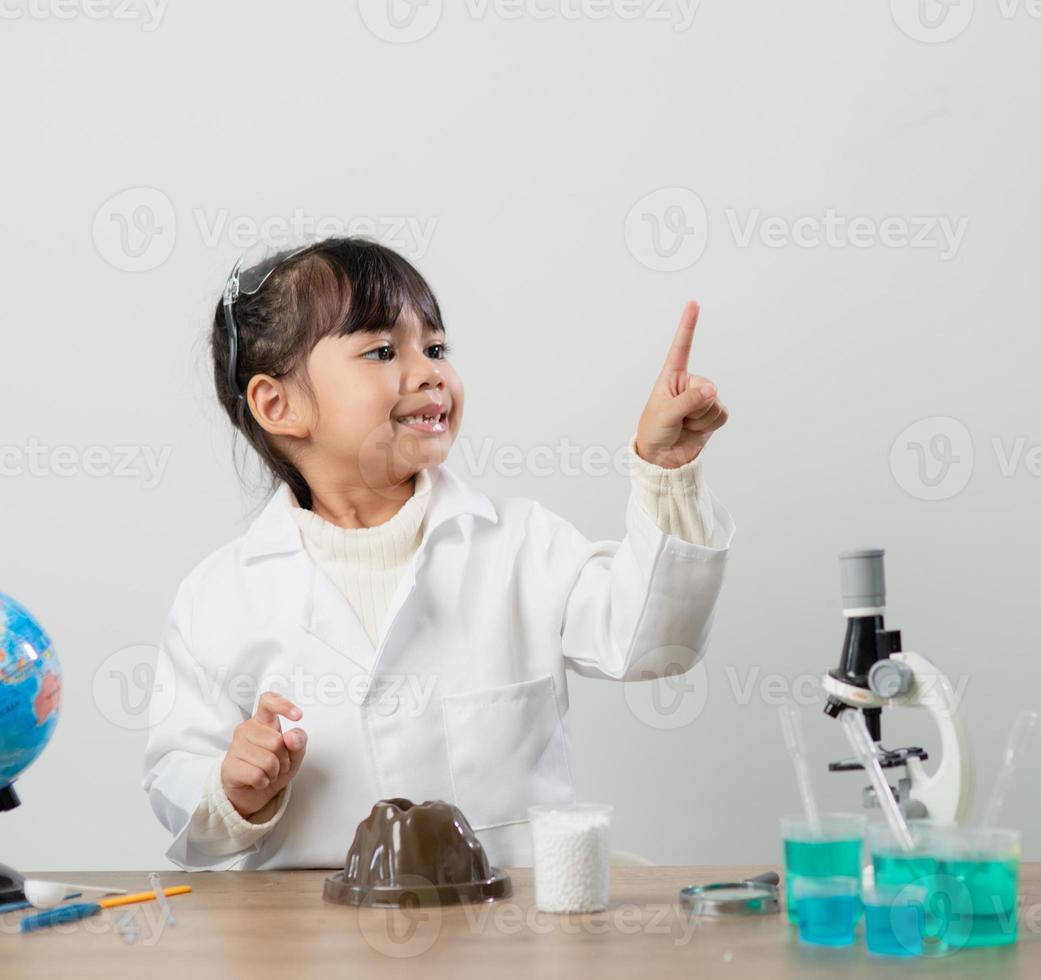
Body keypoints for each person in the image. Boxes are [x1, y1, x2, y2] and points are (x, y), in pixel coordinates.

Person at [141, 238, 732, 870]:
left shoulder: (519, 544)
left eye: (437, 348)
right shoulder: (219, 598)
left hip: (508, 938)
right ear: (278, 405)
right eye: (384, 351)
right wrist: (234, 789)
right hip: (319, 946)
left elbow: (653, 642)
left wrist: (666, 475)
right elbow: (176, 779)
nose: (430, 374)